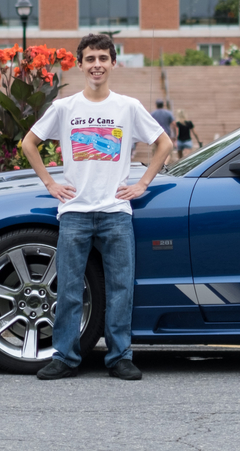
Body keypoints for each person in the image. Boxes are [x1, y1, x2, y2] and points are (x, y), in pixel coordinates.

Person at [22, 34, 173, 381]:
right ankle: (65, 356)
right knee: (70, 288)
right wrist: (50, 183)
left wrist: (143, 183)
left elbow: (163, 143)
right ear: (80, 64)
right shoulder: (65, 108)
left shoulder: (128, 107)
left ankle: (120, 356)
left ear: (113, 63)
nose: (96, 65)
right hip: (74, 211)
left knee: (121, 287)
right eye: (90, 59)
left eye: (103, 58)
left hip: (116, 213)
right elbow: (29, 143)